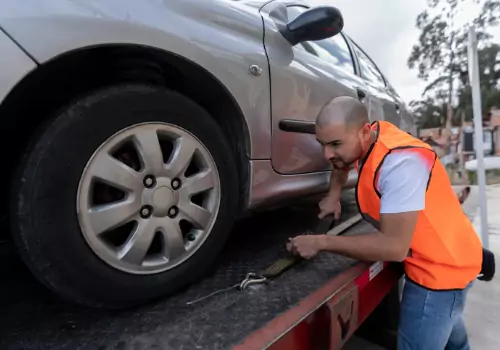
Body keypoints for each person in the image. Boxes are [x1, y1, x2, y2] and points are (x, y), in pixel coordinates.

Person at [286, 96, 483, 350]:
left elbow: (394, 247)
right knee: (454, 337)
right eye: (322, 144)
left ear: (364, 132)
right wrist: (333, 196)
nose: (327, 154)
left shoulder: (401, 163)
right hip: (454, 254)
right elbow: (341, 162)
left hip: (438, 272)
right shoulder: (367, 139)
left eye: (334, 144)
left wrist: (321, 242)